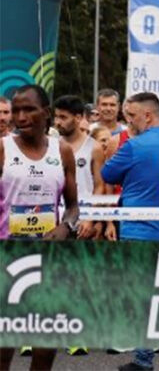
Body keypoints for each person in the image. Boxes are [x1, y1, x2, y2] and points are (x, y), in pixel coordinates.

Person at [0, 85, 80, 371]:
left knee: (44, 348)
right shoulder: (3, 147)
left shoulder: (63, 151)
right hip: (8, 258)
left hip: (49, 260)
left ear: (45, 113)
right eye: (16, 110)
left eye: (28, 109)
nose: (20, 117)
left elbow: (73, 207)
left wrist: (65, 228)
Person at [102, 93, 159, 371]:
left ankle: (144, 361)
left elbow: (108, 174)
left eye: (132, 116)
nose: (128, 121)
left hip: (137, 230)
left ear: (148, 115)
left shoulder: (133, 146)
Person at [53, 95, 105, 241]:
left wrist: (90, 218)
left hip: (83, 223)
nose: (57, 122)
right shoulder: (51, 146)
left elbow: (99, 186)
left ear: (78, 118)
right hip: (55, 221)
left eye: (63, 117)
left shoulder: (94, 147)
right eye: (56, 117)